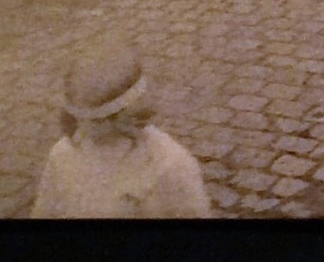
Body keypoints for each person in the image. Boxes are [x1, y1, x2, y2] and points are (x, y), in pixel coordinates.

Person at [31, 42, 211, 219]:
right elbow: (46, 210)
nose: (82, 129)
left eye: (96, 121)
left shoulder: (170, 165)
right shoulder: (62, 155)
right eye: (78, 119)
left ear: (125, 115)